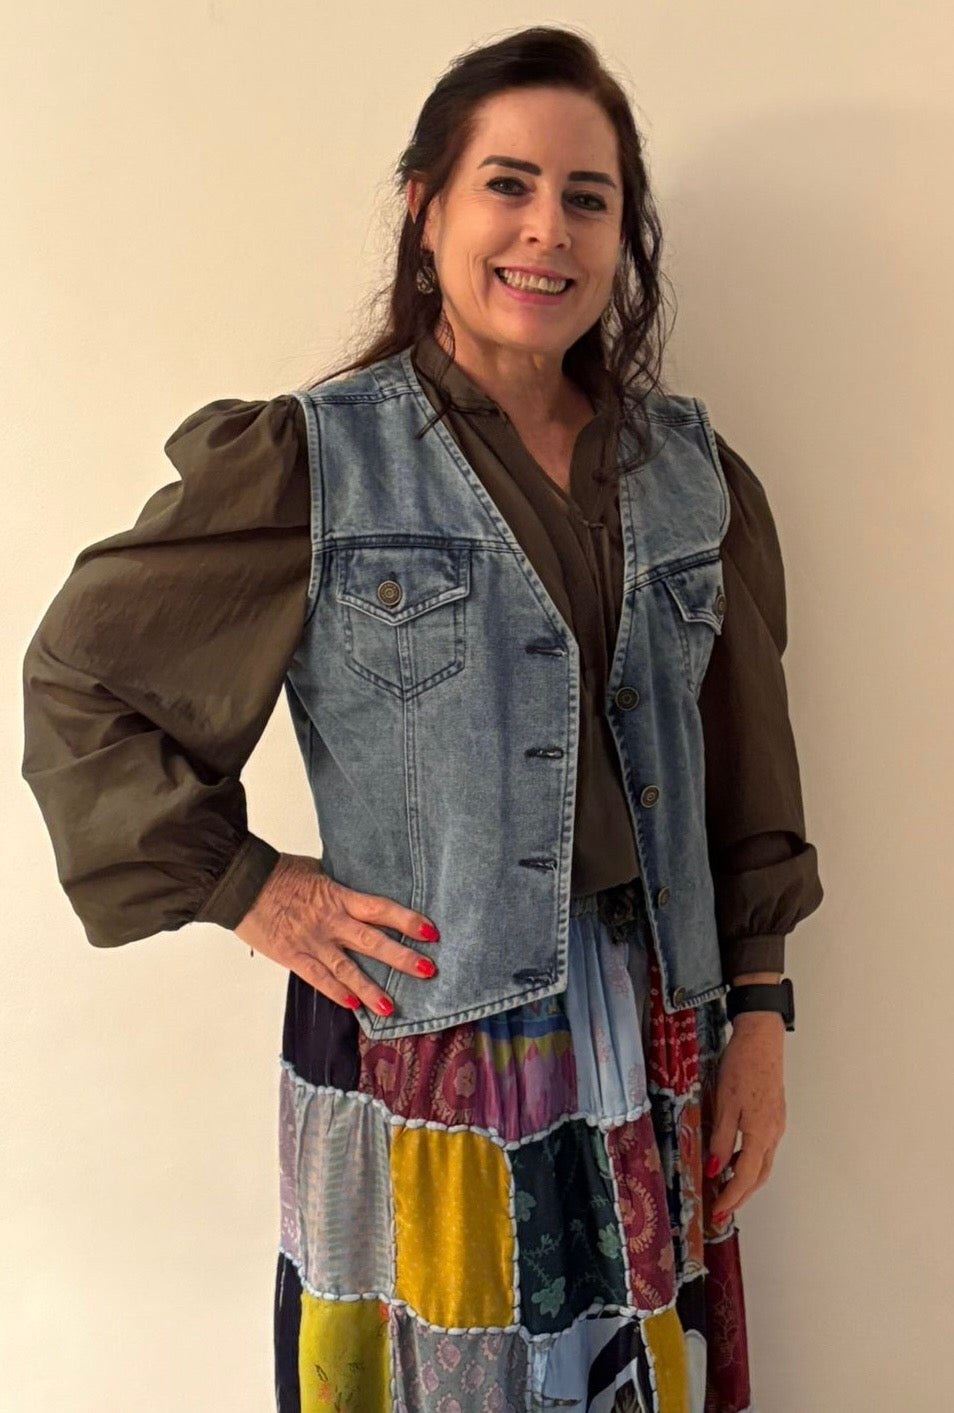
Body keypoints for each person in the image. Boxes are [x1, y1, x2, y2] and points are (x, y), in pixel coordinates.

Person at [20, 25, 823, 1413]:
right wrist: (252, 888)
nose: (546, 230)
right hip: (427, 1047)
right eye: (507, 185)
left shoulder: (690, 473)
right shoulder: (315, 461)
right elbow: (81, 681)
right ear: (425, 207)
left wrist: (759, 1014)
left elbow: (746, 774)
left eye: (586, 198)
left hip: (658, 1026)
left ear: (621, 236)